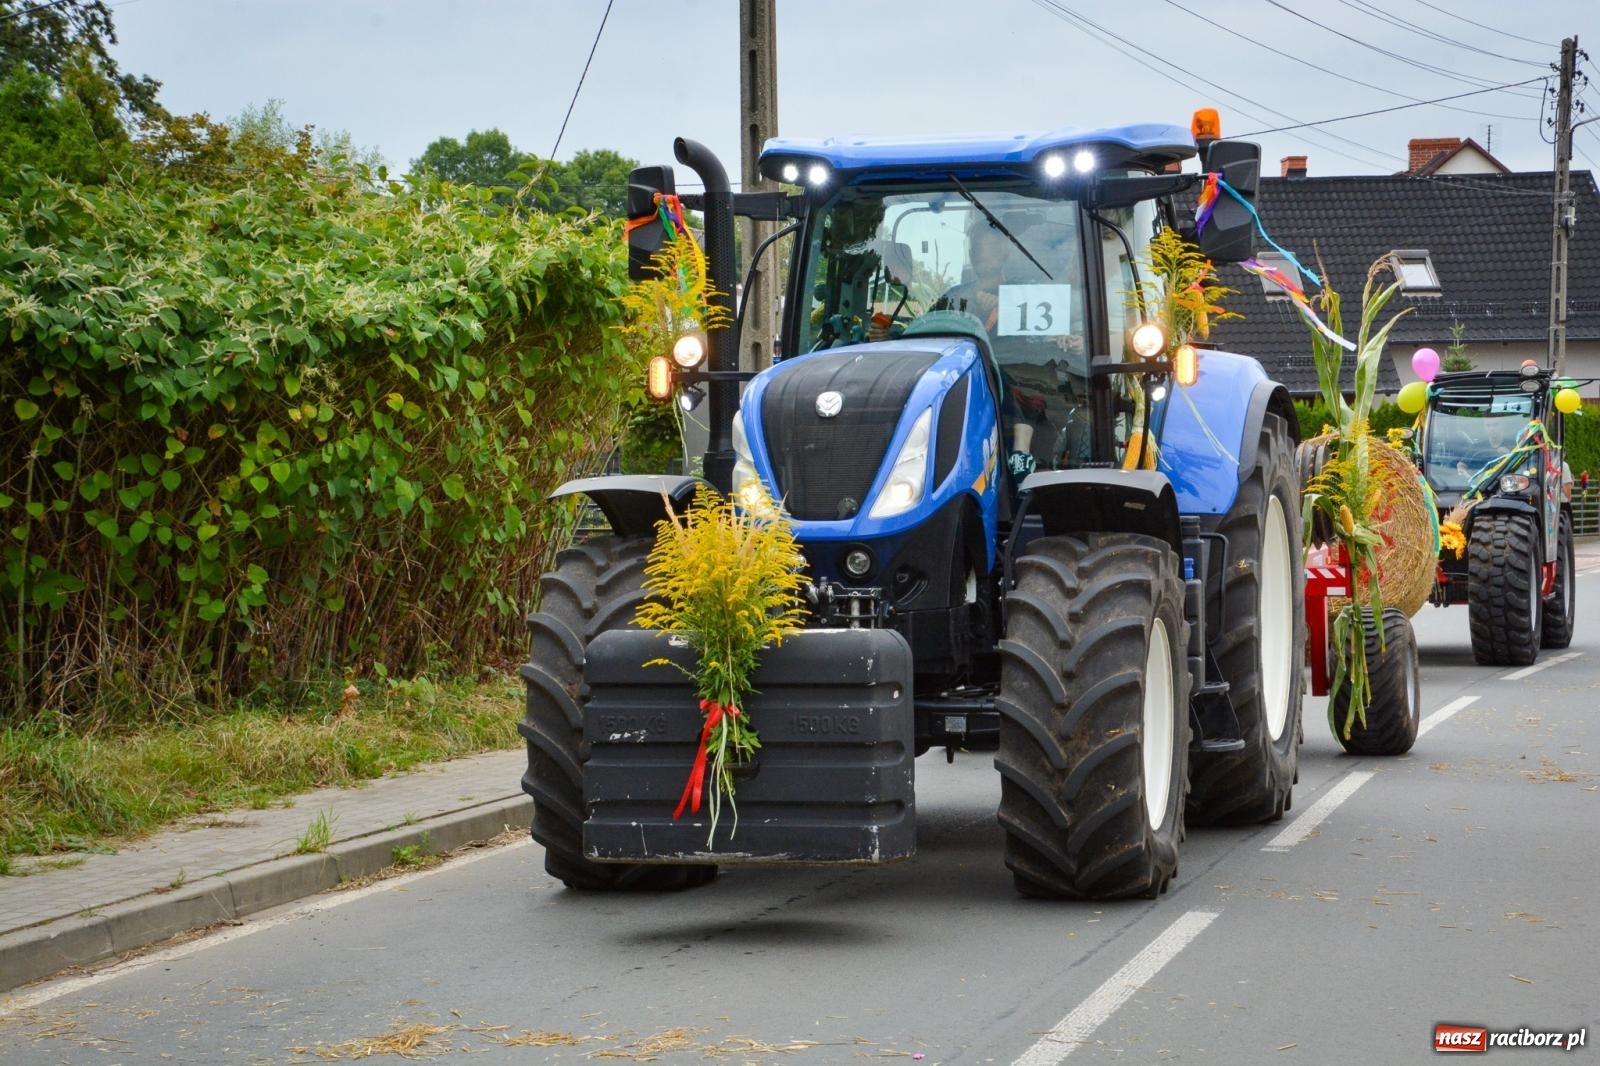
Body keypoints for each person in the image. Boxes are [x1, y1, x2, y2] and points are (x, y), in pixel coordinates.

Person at [935, 217, 1087, 480]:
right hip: (968, 378)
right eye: (979, 246)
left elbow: (1047, 335)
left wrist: (1067, 339)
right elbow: (932, 331)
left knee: (1014, 378)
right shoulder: (953, 297)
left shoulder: (1025, 294)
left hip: (1024, 374)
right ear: (971, 253)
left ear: (1005, 252)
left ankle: (1021, 449)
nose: (985, 252)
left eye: (993, 245)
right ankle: (1019, 447)